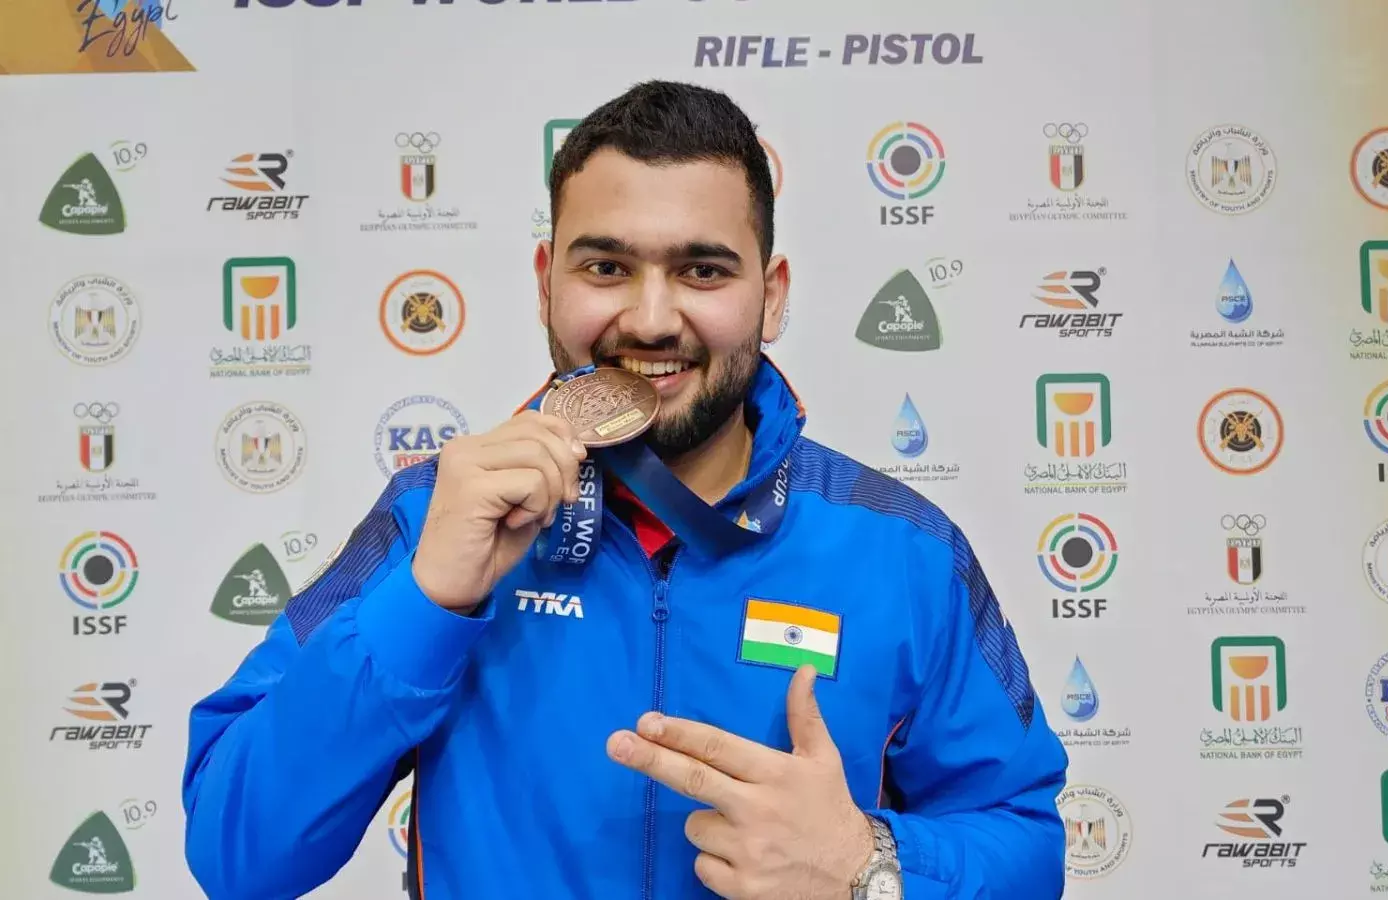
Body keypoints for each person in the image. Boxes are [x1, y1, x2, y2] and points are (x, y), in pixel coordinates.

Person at [182, 80, 1068, 900]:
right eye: (606, 268)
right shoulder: (432, 517)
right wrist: (427, 603)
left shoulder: (902, 551)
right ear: (546, 283)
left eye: (703, 271)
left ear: (771, 296)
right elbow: (237, 856)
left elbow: (1026, 843)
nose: (649, 319)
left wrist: (867, 864)